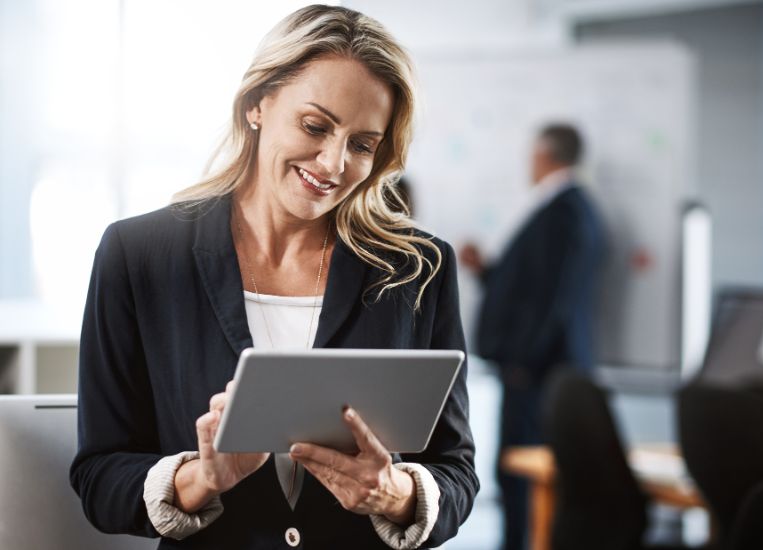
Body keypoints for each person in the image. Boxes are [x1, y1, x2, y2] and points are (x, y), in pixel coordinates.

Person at [69, 6, 478, 550]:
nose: (333, 164)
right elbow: (99, 475)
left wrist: (395, 492)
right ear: (257, 104)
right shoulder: (139, 256)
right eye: (315, 126)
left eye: (362, 144)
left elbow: (456, 472)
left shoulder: (417, 269)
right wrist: (200, 478)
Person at [459, 124, 606, 550]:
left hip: (538, 370)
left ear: (544, 154)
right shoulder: (563, 209)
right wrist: (488, 271)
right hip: (538, 367)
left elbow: (552, 301)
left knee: (524, 471)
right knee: (521, 470)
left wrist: (522, 359)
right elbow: (534, 287)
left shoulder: (565, 212)